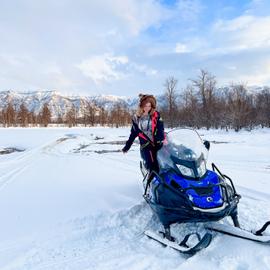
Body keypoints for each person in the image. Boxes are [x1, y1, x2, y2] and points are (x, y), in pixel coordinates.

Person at [122, 94, 165, 176]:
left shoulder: (156, 115)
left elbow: (160, 128)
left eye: (149, 106)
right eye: (145, 106)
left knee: (165, 162)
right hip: (146, 145)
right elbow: (133, 134)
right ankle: (152, 180)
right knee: (152, 165)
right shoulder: (136, 118)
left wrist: (160, 138)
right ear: (141, 106)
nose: (147, 108)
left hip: (157, 143)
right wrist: (127, 147)